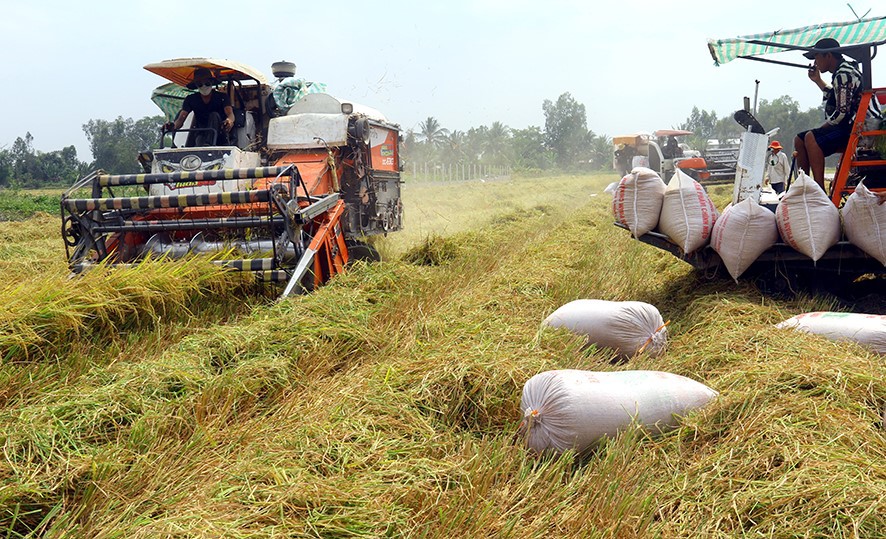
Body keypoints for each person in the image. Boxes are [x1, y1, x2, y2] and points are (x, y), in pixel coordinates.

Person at [794, 38, 882, 192]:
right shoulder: (842, 72)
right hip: (853, 122)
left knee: (810, 137)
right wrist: (818, 81)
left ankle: (819, 191)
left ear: (828, 56)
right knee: (799, 140)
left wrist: (822, 127)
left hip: (863, 126)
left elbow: (842, 112)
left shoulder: (843, 74)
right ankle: (805, 186)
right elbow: (838, 96)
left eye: (817, 57)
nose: (815, 62)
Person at [164, 67, 235, 146]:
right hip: (201, 133)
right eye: (200, 84)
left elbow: (230, 114)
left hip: (220, 134)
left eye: (207, 83)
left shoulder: (222, 97)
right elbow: (181, 119)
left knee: (214, 115)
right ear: (196, 86)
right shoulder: (191, 99)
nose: (204, 86)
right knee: (199, 141)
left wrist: (229, 120)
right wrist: (173, 126)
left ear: (211, 82)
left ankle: (209, 144)